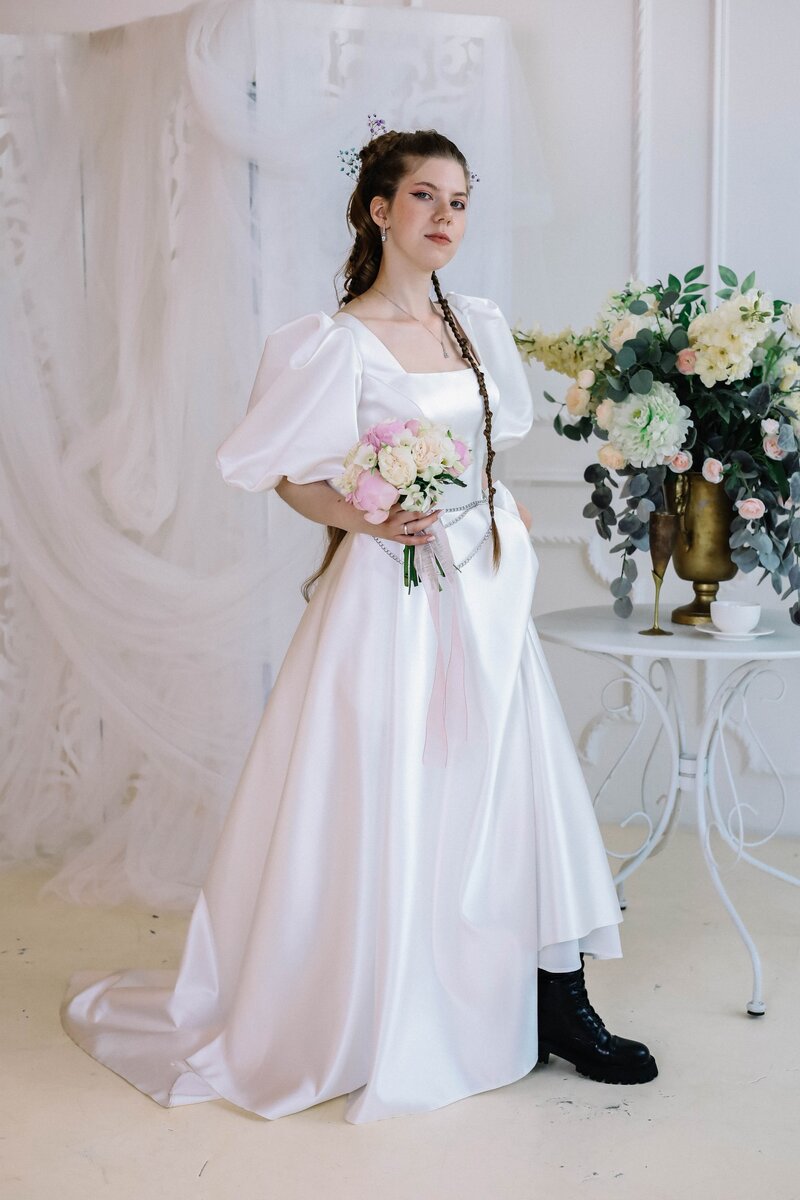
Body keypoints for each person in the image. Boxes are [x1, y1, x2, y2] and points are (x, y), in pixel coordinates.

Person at [60, 126, 657, 1125]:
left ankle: (556, 998)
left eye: (459, 202)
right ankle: (385, 999)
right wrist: (363, 515)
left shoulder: (475, 325)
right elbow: (282, 474)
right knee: (397, 786)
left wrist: (487, 514)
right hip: (393, 597)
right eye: (424, 197)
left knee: (516, 785)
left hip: (484, 588)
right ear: (379, 210)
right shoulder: (334, 342)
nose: (444, 217)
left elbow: (486, 448)